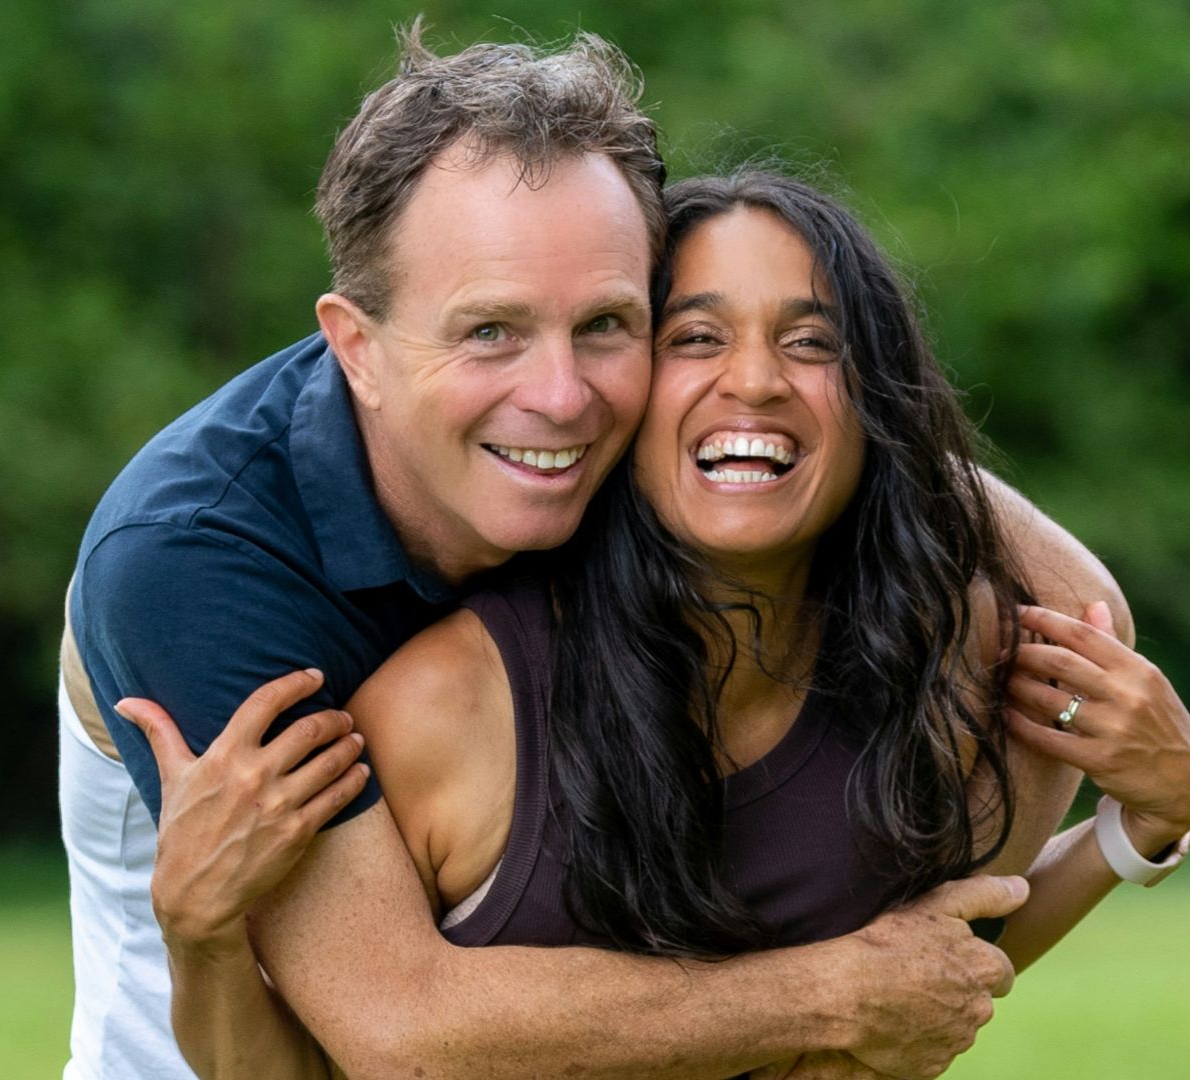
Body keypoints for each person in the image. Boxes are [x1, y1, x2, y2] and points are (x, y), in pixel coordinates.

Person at [60, 27, 1133, 1080]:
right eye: (490, 331)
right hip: (221, 1000)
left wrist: (862, 421)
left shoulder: (625, 420)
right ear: (358, 349)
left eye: (609, 325)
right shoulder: (194, 567)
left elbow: (1078, 616)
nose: (562, 395)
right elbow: (391, 1026)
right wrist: (842, 994)